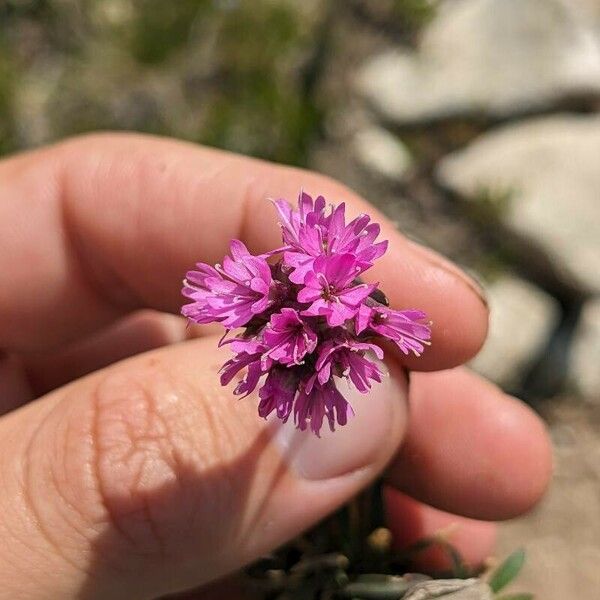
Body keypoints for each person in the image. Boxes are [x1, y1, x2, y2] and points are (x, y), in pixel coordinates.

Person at [0, 133, 552, 599]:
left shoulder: (337, 305)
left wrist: (351, 331)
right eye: (326, 285)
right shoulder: (275, 304)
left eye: (334, 285)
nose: (327, 290)